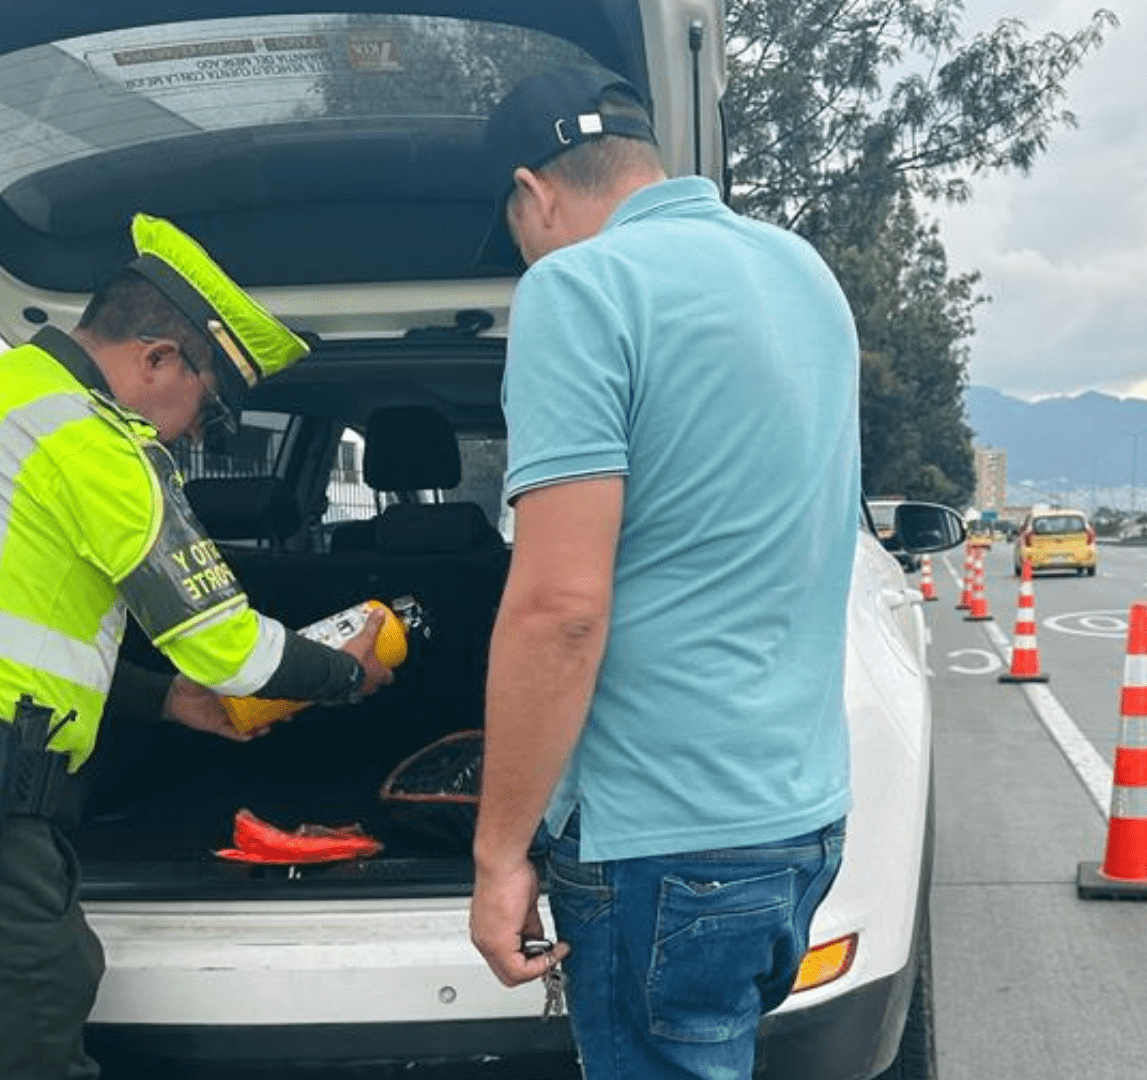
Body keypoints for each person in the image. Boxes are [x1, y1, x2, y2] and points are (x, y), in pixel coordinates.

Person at [0, 212, 393, 1080]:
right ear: (159, 358)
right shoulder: (92, 439)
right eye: (209, 409)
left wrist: (166, 700)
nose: (191, 433)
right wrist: (346, 673)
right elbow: (232, 651)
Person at [468, 66, 862, 1079]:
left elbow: (558, 610)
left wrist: (499, 854)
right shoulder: (801, 274)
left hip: (661, 840)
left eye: (515, 229)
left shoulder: (577, 286)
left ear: (533, 191)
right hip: (800, 819)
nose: (525, 252)